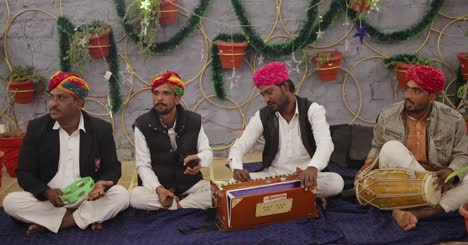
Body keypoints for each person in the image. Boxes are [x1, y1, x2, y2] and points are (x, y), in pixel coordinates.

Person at [3, 71, 129, 235]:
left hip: (87, 198)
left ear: (78, 102)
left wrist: (101, 184)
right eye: (52, 97)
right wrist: (46, 192)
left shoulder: (100, 129)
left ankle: (63, 223)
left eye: (61, 98)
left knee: (122, 195)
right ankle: (83, 218)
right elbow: (24, 173)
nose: (52, 104)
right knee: (11, 202)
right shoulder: (37, 128)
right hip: (51, 200)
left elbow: (113, 167)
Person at [356, 65, 468, 231]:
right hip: (404, 181)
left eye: (416, 91)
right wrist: (368, 164)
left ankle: (416, 212)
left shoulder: (453, 119)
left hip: (438, 181)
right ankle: (431, 203)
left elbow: (463, 155)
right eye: (407, 89)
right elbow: (377, 146)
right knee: (390, 147)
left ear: (432, 96)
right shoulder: (388, 115)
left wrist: (451, 171)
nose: (408, 95)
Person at [227, 61, 344, 199]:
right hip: (275, 177)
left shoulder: (312, 110)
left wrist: (313, 167)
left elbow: (325, 144)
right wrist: (237, 167)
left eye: (270, 92)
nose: (266, 99)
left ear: (285, 87)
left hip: (306, 176)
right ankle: (298, 196)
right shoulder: (263, 116)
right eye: (263, 95)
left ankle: (275, 197)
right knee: (233, 183)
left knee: (336, 183)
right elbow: (240, 146)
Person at [130, 71, 213, 210]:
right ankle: (184, 204)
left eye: (165, 93)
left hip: (189, 184)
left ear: (177, 99)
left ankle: (176, 205)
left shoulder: (193, 120)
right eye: (156, 93)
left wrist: (199, 159)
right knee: (135, 197)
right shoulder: (142, 124)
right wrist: (158, 189)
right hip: (158, 188)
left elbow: (207, 151)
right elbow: (143, 165)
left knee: (214, 193)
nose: (159, 98)